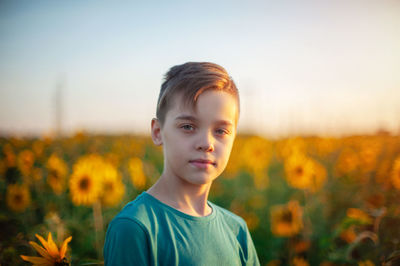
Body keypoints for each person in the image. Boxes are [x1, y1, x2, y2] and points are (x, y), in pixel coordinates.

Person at [103, 62, 260, 265]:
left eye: (221, 131)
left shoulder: (237, 230)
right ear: (158, 132)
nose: (206, 143)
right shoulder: (135, 228)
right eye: (188, 126)